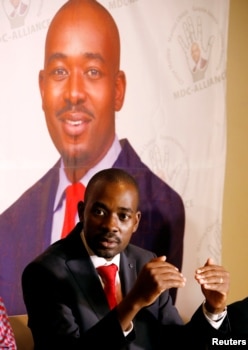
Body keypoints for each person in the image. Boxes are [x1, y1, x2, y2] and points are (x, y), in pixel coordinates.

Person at [0, 0, 185, 314]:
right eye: (60, 71)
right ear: (42, 88)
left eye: (92, 71)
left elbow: (162, 334)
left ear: (117, 90)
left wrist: (215, 315)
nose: (74, 92)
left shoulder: (162, 207)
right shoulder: (10, 223)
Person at [22, 168, 230, 350]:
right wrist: (134, 301)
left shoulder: (145, 261)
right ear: (82, 212)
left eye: (123, 216)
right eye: (99, 211)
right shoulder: (44, 273)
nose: (111, 225)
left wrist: (214, 308)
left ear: (136, 222)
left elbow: (176, 343)